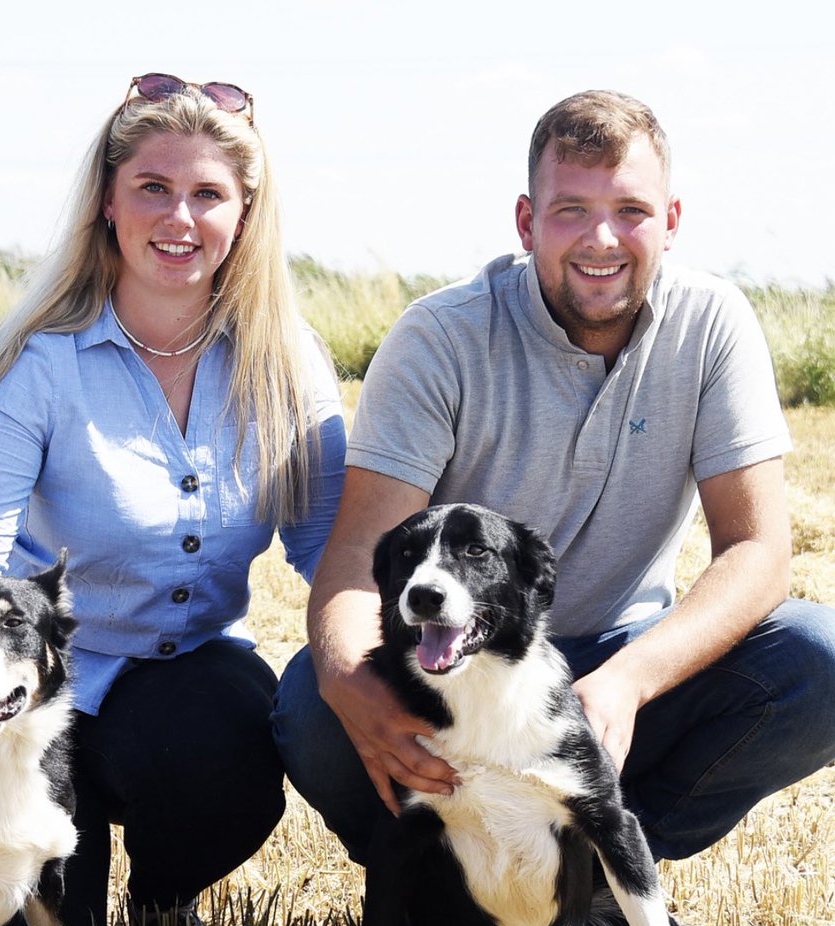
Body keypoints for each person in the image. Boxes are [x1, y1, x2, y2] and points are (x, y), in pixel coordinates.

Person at [0, 73, 346, 926]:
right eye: (152, 187)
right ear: (109, 200)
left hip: (183, 687)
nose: (178, 218)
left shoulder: (287, 361)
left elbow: (334, 548)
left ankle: (159, 898)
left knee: (229, 748)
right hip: (25, 692)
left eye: (207, 194)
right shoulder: (42, 363)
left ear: (245, 214)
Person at [273, 89, 835, 868]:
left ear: (671, 221)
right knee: (309, 700)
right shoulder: (439, 338)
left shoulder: (713, 323)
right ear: (526, 222)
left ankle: (604, 879)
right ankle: (439, 885)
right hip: (462, 663)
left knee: (819, 656)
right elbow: (356, 556)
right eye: (571, 209)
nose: (602, 238)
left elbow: (760, 551)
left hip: (620, 649)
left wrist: (628, 682)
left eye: (631, 210)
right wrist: (346, 681)